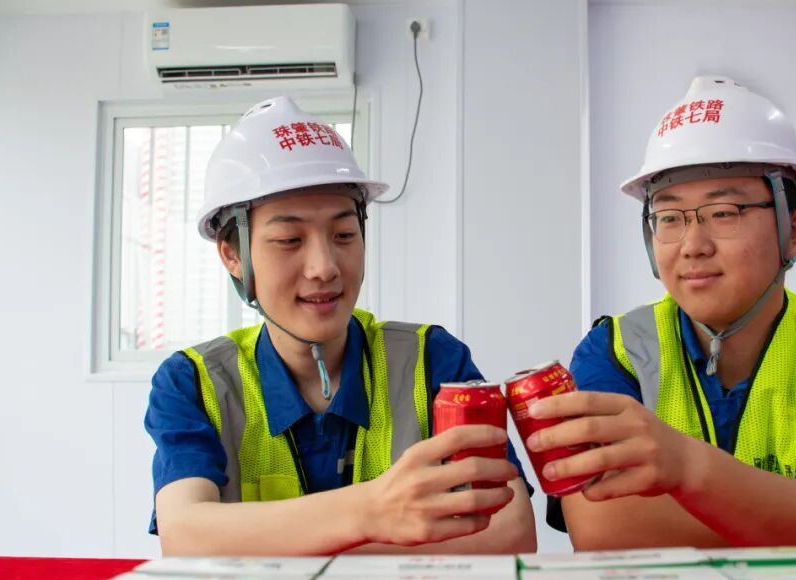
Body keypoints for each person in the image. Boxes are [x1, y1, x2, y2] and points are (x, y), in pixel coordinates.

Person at [530, 76, 796, 550]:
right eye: (669, 218)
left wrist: (687, 468)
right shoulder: (616, 352)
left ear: (793, 231)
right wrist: (792, 524)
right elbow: (603, 528)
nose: (693, 246)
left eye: (724, 212)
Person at [146, 96, 536, 555]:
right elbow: (185, 535)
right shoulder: (195, 383)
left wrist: (266, 542)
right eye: (289, 240)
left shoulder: (430, 358)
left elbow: (509, 530)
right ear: (233, 255)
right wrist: (373, 512)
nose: (325, 267)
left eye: (344, 235)